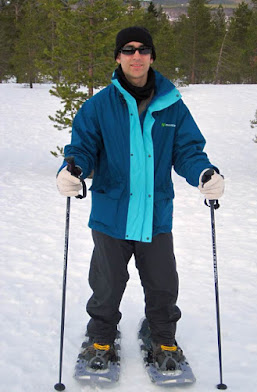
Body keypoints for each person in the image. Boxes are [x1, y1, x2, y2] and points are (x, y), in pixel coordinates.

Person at [56, 26, 224, 372]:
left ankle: (162, 335)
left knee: (163, 283)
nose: (136, 56)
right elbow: (82, 149)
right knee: (107, 283)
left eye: (143, 49)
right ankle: (101, 335)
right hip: (111, 213)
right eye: (128, 50)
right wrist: (72, 169)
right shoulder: (98, 106)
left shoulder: (172, 105)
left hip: (155, 213)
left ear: (152, 56)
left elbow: (189, 151)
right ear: (118, 57)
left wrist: (204, 173)